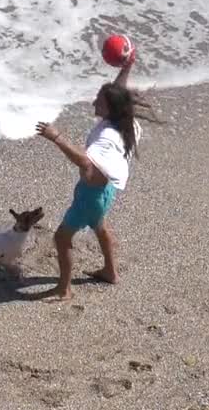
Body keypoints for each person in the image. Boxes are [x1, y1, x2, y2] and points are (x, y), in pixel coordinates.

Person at [35, 52, 158, 302]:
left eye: (98, 101)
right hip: (105, 192)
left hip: (91, 196)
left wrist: (55, 137)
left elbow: (85, 162)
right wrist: (127, 66)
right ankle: (110, 272)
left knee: (61, 238)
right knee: (100, 226)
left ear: (110, 107)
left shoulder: (106, 138)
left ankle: (64, 288)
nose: (93, 103)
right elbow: (118, 90)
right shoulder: (124, 119)